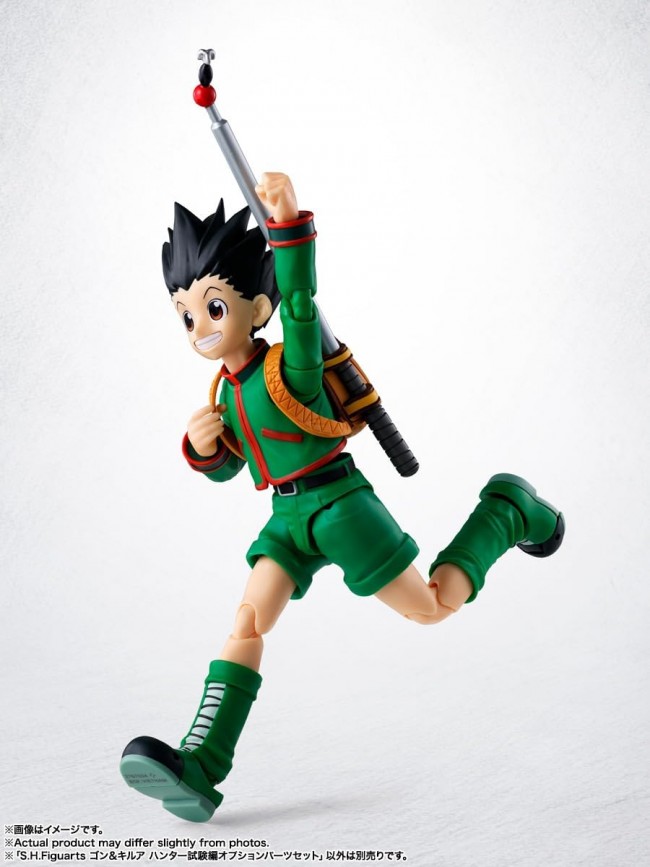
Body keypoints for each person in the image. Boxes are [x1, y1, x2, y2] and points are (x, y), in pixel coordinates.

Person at [120, 173, 564, 822]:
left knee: (431, 607)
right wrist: (203, 446)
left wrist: (288, 227)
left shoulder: (289, 369)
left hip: (341, 507)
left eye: (214, 308)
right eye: (186, 314)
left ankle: (505, 512)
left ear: (257, 308)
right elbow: (232, 468)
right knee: (247, 623)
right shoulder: (224, 394)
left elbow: (302, 304)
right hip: (286, 519)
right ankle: (202, 762)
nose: (200, 328)